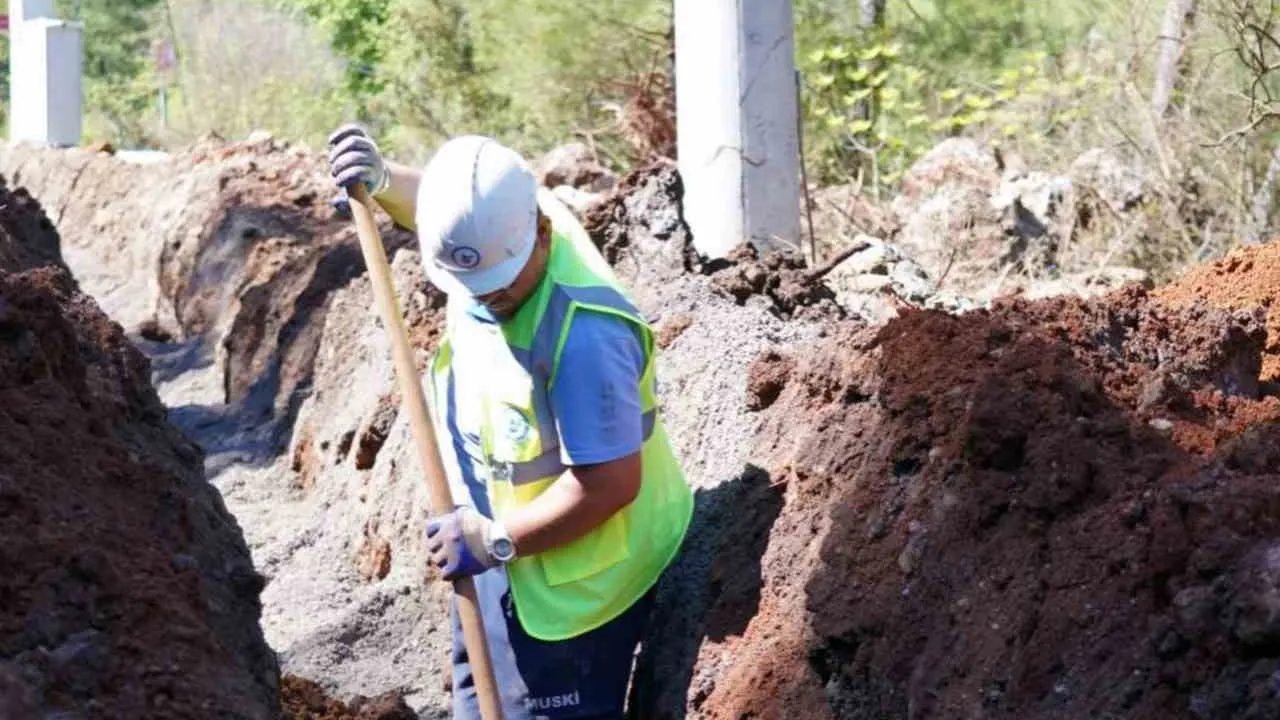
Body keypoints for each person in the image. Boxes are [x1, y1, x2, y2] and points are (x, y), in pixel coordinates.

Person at [325, 124, 695, 719]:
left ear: (540, 237)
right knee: (480, 702)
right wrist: (386, 182)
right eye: (468, 284)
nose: (485, 299)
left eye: (498, 287)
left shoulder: (585, 338)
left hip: (575, 583)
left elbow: (610, 485)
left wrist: (497, 541)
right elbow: (458, 223)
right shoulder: (502, 231)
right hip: (494, 546)